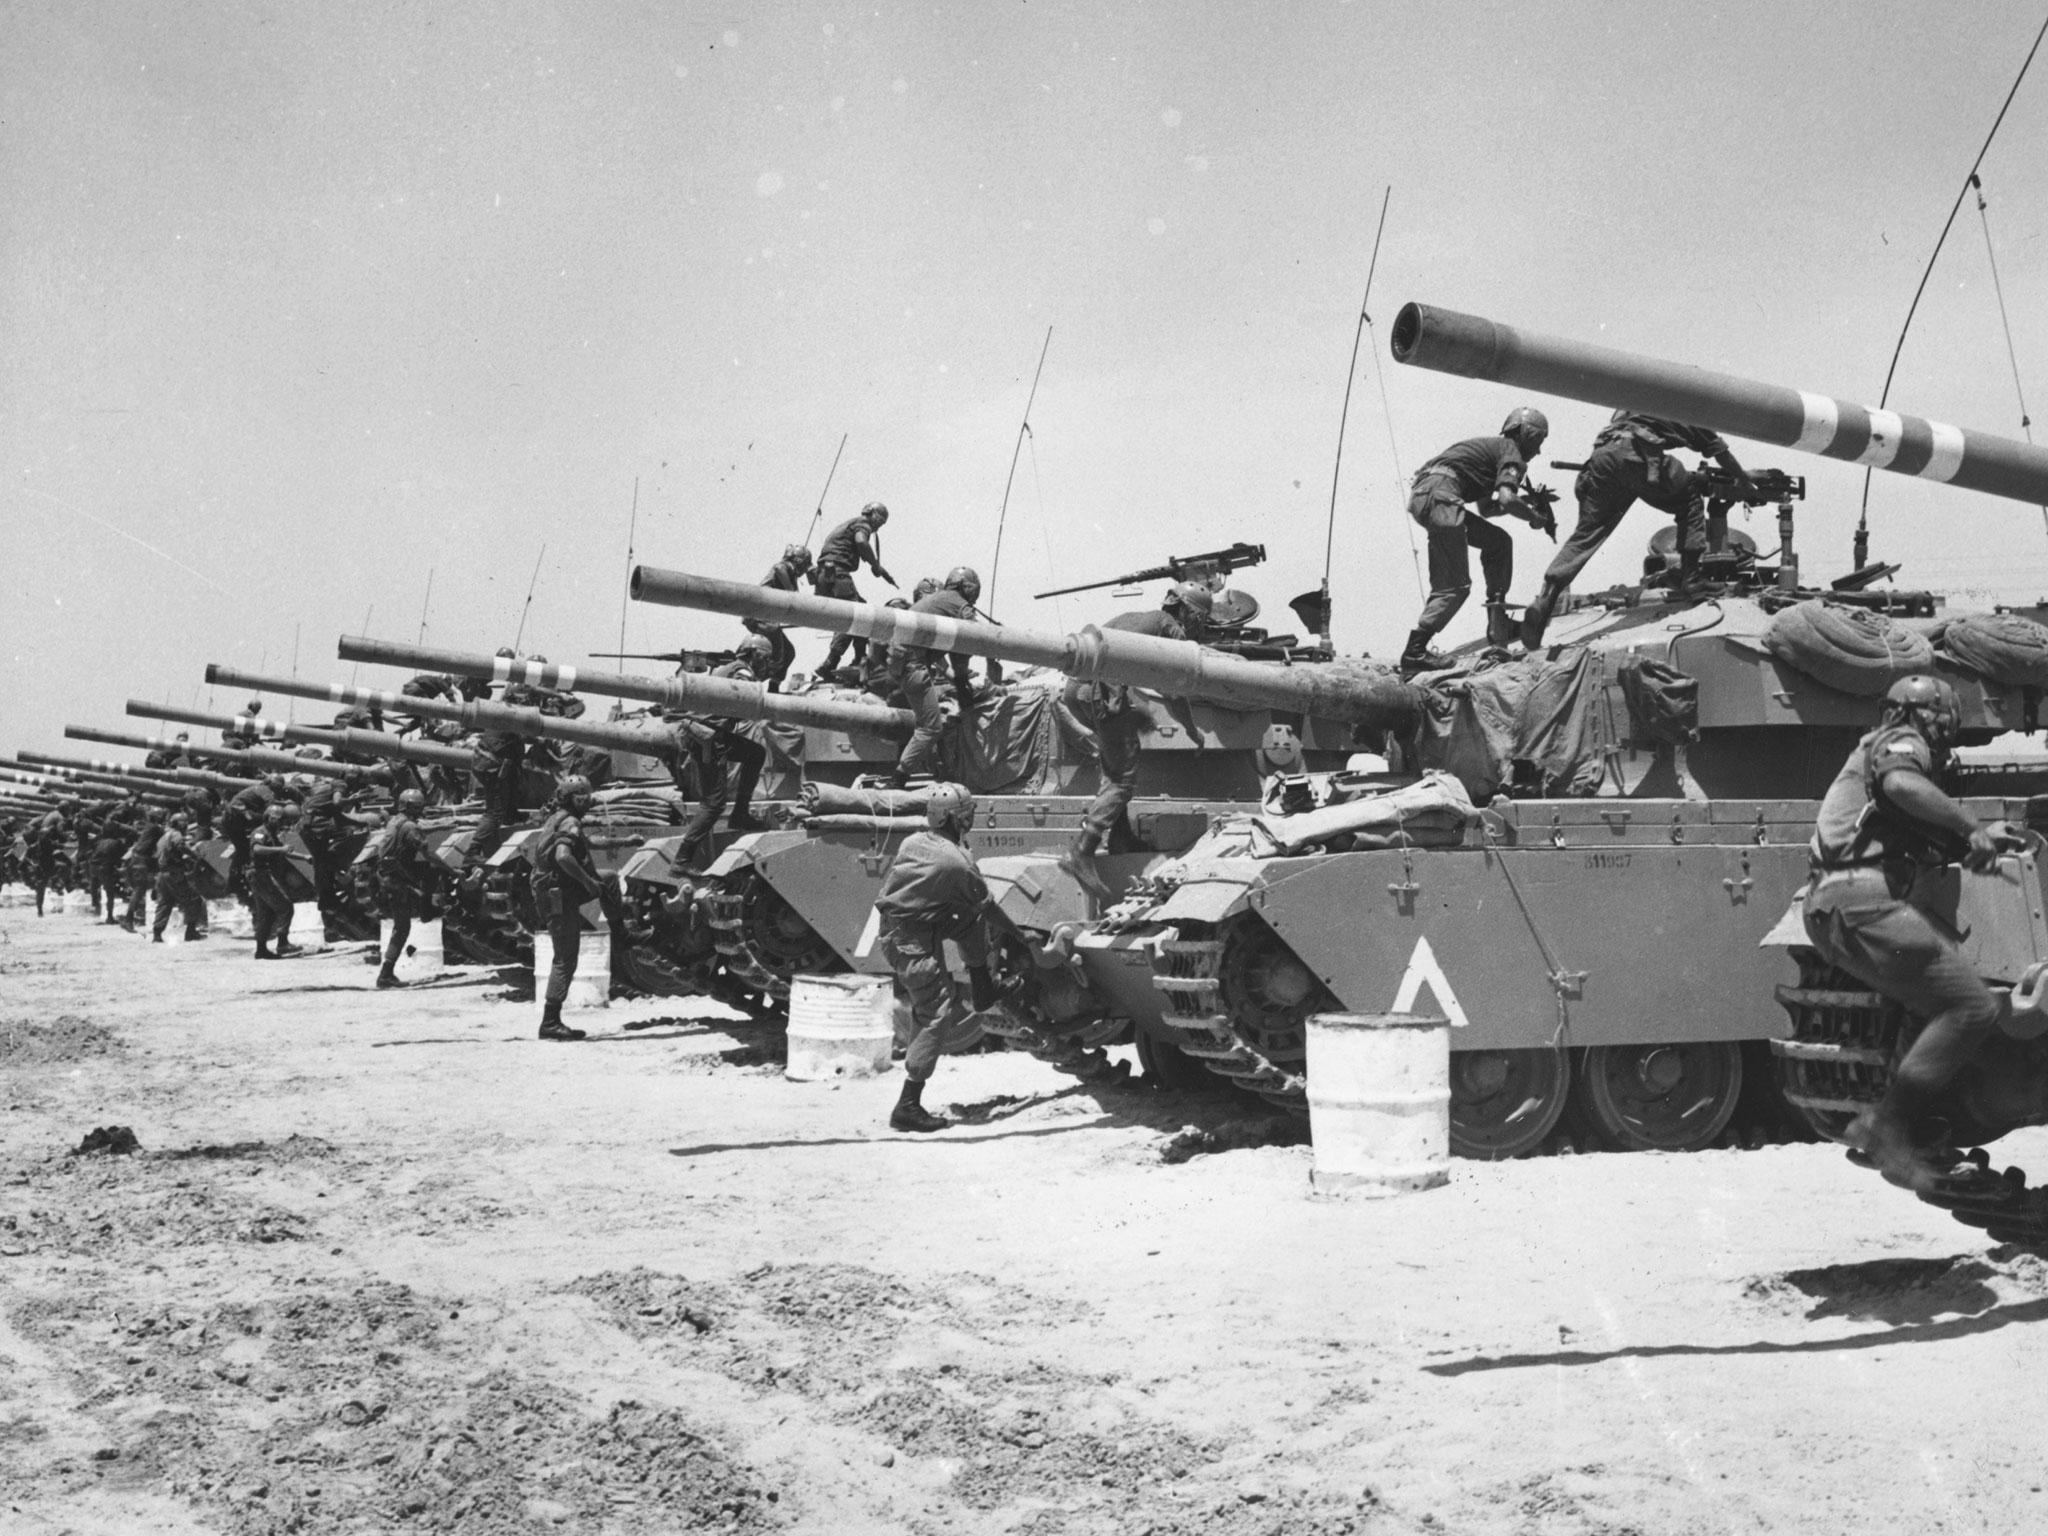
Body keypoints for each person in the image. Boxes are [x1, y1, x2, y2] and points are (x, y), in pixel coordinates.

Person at [1802, 675, 2022, 1192]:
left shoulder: (1872, 754)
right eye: (1945, 718)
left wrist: (1975, 839)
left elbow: (1898, 822)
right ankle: (1889, 1128)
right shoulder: (1903, 743)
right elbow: (1902, 782)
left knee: (1932, 1001)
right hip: (1863, 901)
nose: (1947, 730)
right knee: (1973, 1007)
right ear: (1927, 714)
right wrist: (1970, 825)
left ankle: (1911, 1127)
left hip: (1839, 903)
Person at [1520, 412, 1750, 649]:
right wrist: (1744, 481)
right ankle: (1692, 580)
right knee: (1690, 497)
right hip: (1636, 455)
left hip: (1601, 457)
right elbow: (1720, 453)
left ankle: (1547, 596)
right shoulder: (1689, 404)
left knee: (1588, 533)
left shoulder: (1640, 399)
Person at [1061, 583, 1217, 884]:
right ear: (1187, 611)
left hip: (1076, 691)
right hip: (1102, 693)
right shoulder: (1171, 629)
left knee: (1116, 765)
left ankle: (1121, 839)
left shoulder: (1140, 618)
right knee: (1122, 778)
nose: (1200, 624)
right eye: (1200, 616)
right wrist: (1191, 729)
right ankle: (1082, 851)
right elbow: (1175, 688)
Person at [875, 783, 1000, 1133]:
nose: (972, 818)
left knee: (968, 918)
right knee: (935, 1011)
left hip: (916, 926)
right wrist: (1017, 936)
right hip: (909, 940)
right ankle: (908, 1105)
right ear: (955, 817)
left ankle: (982, 985)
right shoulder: (953, 858)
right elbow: (988, 905)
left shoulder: (915, 841)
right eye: (967, 813)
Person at [1399, 407, 1552, 674]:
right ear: (1527, 434)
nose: (1537, 451)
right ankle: (1415, 651)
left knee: (1498, 542)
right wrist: (1534, 517)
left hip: (1432, 495)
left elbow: (1489, 509)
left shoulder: (1493, 452)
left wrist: (1523, 502)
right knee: (1456, 585)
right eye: (1538, 442)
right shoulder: (1510, 451)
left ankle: (1498, 620)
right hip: (1442, 497)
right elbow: (1506, 499)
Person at [670, 639, 772, 865]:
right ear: (753, 654)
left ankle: (740, 814)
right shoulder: (742, 672)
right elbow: (747, 698)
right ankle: (682, 860)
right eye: (764, 657)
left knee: (755, 753)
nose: (766, 663)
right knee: (714, 803)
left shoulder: (725, 669)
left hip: (704, 733)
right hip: (708, 737)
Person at [529, 774, 615, 1041]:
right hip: (559, 894)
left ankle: (621, 932)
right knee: (565, 958)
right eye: (583, 796)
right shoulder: (570, 821)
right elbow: (563, 856)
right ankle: (550, 1022)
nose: (588, 800)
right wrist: (588, 882)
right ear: (572, 798)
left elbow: (584, 844)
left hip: (555, 890)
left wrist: (625, 842)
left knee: (610, 879)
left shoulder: (558, 818)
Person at [888, 567, 988, 787]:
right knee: (931, 728)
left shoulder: (940, 601)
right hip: (915, 667)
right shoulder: (958, 605)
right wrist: (962, 682)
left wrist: (959, 680)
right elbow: (968, 640)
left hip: (905, 665)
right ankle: (898, 779)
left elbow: (947, 649)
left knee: (930, 723)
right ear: (968, 588)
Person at [813, 502, 897, 677]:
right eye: (880, 522)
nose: (877, 528)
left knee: (861, 609)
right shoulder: (862, 524)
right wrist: (875, 564)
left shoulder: (851, 523)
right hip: (837, 572)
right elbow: (861, 542)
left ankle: (859, 656)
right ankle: (832, 661)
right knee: (856, 614)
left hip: (824, 574)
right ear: (874, 515)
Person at [374, 788, 440, 989]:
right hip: (397, 879)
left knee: (400, 926)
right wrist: (453, 871)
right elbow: (428, 854)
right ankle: (385, 975)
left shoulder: (395, 821)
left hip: (389, 875)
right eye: (419, 806)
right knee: (402, 927)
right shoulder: (410, 826)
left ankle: (426, 906)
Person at [749, 544, 812, 691]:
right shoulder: (785, 567)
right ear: (799, 561)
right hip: (761, 616)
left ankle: (773, 687)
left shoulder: (791, 575)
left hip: (767, 618)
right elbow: (779, 568)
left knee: (788, 652)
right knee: (776, 656)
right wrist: (792, 591)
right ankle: (749, 681)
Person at [246, 802, 304, 959]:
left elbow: (284, 852)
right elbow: (257, 849)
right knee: (286, 907)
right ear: (267, 818)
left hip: (261, 876)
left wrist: (305, 858)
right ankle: (283, 944)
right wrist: (280, 849)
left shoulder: (271, 834)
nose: (278, 822)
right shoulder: (260, 832)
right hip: (260, 874)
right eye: (275, 819)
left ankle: (261, 950)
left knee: (266, 914)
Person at [151, 812, 208, 943]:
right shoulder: (176, 834)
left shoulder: (163, 836)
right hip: (174, 874)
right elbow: (181, 846)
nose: (186, 825)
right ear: (180, 823)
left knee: (164, 903)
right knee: (194, 900)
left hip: (162, 874)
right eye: (184, 822)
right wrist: (195, 856)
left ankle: (157, 934)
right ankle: (191, 932)